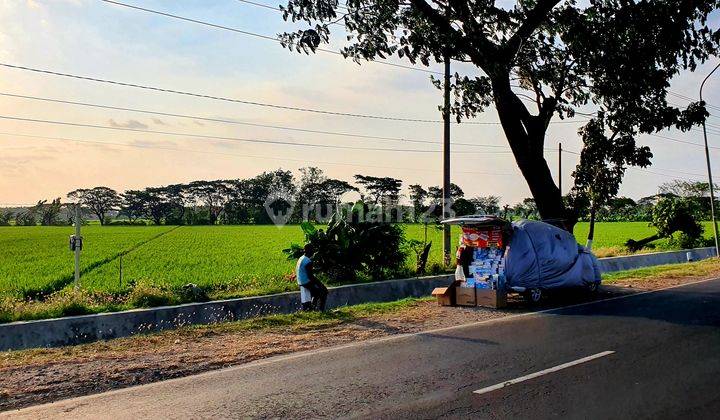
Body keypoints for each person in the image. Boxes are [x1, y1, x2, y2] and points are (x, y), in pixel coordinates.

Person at [295, 244, 328, 311]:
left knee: (316, 293)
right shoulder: (308, 261)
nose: (313, 252)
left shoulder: (301, 258)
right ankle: (321, 310)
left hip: (300, 281)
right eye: (312, 250)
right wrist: (320, 284)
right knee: (324, 291)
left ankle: (314, 308)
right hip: (306, 281)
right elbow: (310, 276)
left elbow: (306, 270)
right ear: (310, 251)